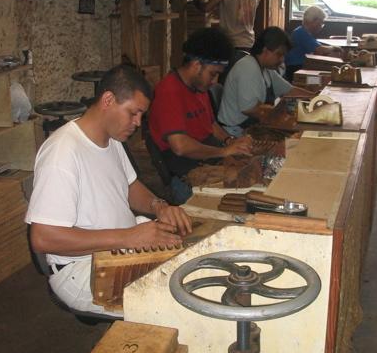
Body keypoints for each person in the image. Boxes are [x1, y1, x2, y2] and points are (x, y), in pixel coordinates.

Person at [25, 65, 192, 317]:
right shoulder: (63, 152)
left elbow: (130, 187)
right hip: (83, 270)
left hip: (121, 248)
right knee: (178, 303)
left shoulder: (112, 140)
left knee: (191, 269)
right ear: (108, 100)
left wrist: (160, 206)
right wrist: (129, 238)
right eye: (133, 113)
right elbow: (43, 238)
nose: (138, 123)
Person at [147, 27, 253, 202]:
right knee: (242, 201)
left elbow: (211, 126)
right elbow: (180, 146)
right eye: (213, 74)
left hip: (208, 160)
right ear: (197, 65)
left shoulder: (199, 87)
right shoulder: (169, 91)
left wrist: (231, 141)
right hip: (186, 175)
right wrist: (223, 152)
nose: (215, 81)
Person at [218, 26, 305, 137]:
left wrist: (316, 97)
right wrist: (284, 118)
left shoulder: (266, 68)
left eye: (283, 55)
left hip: (250, 126)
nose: (282, 60)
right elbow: (250, 109)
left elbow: (289, 91)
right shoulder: (248, 67)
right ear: (265, 50)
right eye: (279, 54)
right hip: (234, 132)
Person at [285, 5, 343, 82]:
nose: (321, 26)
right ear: (314, 20)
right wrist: (334, 48)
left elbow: (318, 47)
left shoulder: (304, 32)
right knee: (322, 80)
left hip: (302, 68)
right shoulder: (301, 33)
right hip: (296, 70)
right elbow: (320, 49)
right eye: (321, 22)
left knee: (327, 76)